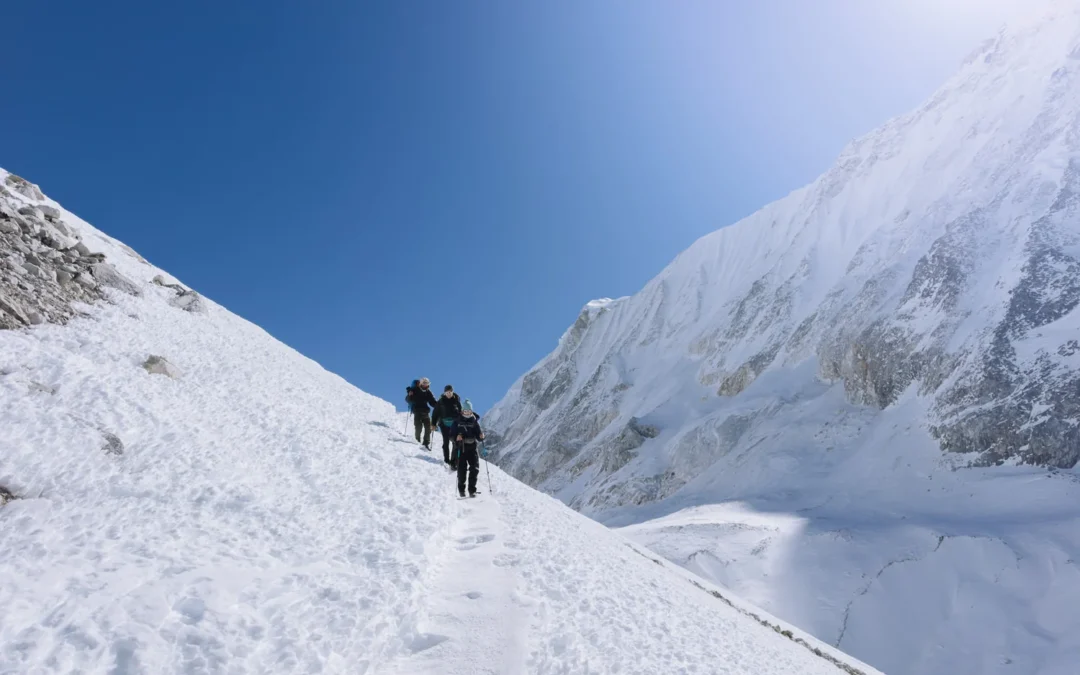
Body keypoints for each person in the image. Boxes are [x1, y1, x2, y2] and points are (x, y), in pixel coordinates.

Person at [451, 399, 485, 498]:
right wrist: (456, 437)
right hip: (461, 448)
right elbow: (451, 435)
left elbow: (478, 436)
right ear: (462, 411)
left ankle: (472, 491)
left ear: (471, 411)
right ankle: (461, 490)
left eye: (469, 411)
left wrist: (481, 436)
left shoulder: (474, 421)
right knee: (462, 470)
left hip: (472, 448)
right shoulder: (457, 421)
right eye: (465, 411)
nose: (467, 413)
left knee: (474, 469)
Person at [431, 384, 463, 468]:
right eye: (447, 392)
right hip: (444, 424)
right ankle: (446, 460)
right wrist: (433, 424)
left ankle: (453, 462)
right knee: (446, 442)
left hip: (454, 424)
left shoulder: (457, 401)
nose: (448, 393)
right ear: (444, 393)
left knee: (455, 442)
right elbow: (435, 414)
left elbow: (461, 413)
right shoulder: (440, 402)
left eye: (450, 392)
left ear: (452, 392)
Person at [405, 378, 438, 449]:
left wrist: (438, 405)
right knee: (418, 426)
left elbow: (432, 401)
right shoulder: (415, 390)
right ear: (421, 383)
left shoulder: (428, 392)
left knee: (428, 428)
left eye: (427, 383)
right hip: (417, 411)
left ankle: (426, 443)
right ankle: (417, 441)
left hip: (425, 411)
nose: (425, 384)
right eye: (424, 383)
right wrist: (409, 395)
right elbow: (408, 399)